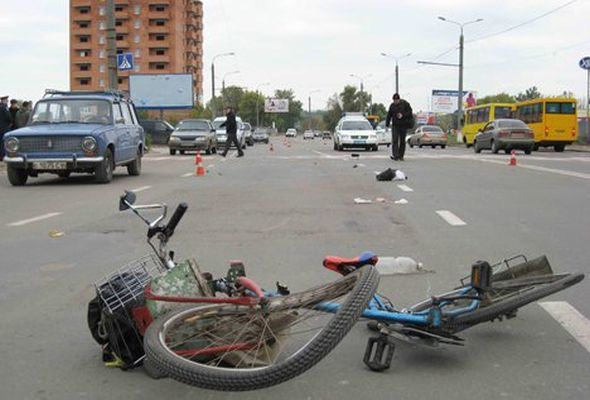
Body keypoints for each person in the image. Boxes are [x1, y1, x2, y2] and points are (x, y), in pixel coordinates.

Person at [385, 93, 413, 161]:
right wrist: (387, 123)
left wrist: (402, 115)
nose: (395, 102)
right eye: (394, 100)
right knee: (395, 140)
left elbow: (410, 112)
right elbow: (389, 115)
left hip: (403, 125)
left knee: (402, 141)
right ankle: (396, 155)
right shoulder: (392, 106)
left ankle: (401, 155)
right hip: (395, 125)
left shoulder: (405, 104)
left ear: (399, 99)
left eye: (396, 100)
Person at [0, 96, 11, 160]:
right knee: (4, 141)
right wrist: (11, 121)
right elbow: (8, 117)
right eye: (7, 100)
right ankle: (3, 155)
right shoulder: (4, 108)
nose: (7, 101)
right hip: (4, 127)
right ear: (4, 100)